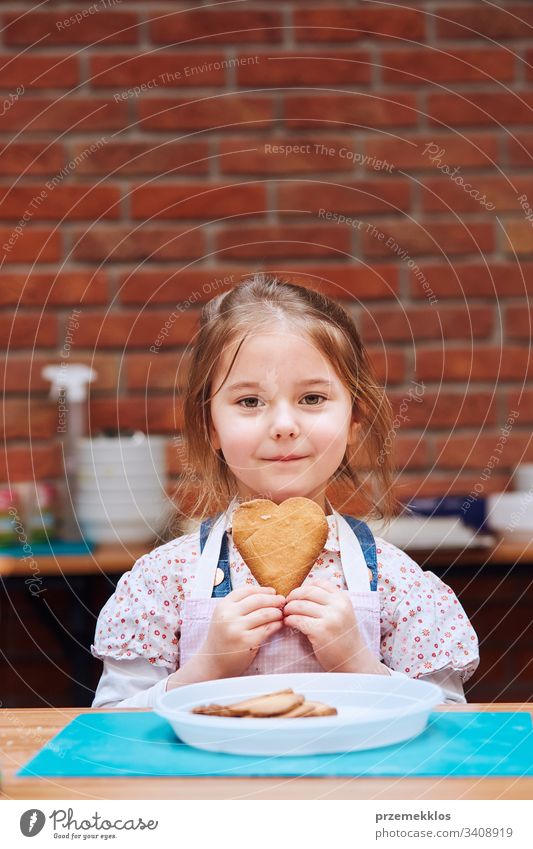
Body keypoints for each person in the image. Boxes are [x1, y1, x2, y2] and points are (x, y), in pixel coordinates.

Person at [91, 273, 479, 707]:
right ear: (210, 425)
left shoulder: (397, 584)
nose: (283, 426)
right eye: (249, 402)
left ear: (354, 420)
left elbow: (449, 728)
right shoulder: (163, 582)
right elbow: (113, 726)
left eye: (312, 398)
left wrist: (360, 665)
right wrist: (207, 669)